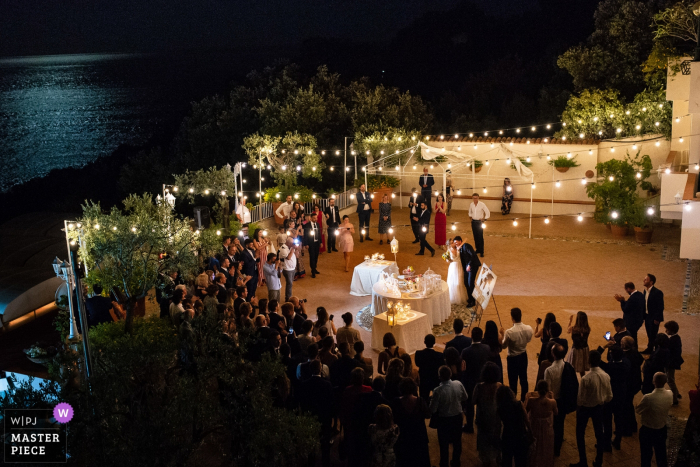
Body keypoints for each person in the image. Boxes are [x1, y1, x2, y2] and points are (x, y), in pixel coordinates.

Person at [572, 350, 612, 467]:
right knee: (599, 434)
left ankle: (583, 461)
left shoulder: (586, 378)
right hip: (599, 408)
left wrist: (579, 407)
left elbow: (580, 398)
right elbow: (609, 396)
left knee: (580, 434)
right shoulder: (605, 375)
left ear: (589, 361)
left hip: (585, 409)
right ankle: (599, 460)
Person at [544, 343, 579, 457]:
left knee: (551, 424)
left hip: (552, 400)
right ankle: (557, 448)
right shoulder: (569, 367)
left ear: (553, 354)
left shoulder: (549, 370)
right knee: (560, 425)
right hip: (563, 401)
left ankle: (550, 446)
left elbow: (547, 389)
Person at [430, 365, 468, 467]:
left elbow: (433, 410)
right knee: (457, 442)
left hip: (443, 420)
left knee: (444, 445)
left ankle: (444, 464)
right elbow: (465, 397)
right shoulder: (458, 384)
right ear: (450, 374)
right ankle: (456, 462)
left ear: (439, 376)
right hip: (457, 417)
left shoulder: (437, 391)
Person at [299, 360, 333, 467]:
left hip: (310, 417)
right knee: (325, 445)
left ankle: (311, 462)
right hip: (324, 417)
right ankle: (325, 463)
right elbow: (331, 402)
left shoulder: (304, 385)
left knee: (311, 444)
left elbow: (302, 402)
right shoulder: (327, 384)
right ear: (320, 369)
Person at [636, 372, 673, 467]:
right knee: (661, 455)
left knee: (646, 456)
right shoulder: (670, 394)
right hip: (662, 428)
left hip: (648, 430)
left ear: (654, 382)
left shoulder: (648, 398)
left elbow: (638, 410)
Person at [391, 378, 431, 467]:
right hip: (419, 436)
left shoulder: (396, 402)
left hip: (402, 436)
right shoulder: (420, 401)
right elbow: (428, 415)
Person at [599, 344, 630, 451]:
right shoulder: (626, 363)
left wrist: (603, 347)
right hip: (621, 394)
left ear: (611, 355)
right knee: (619, 418)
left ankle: (606, 443)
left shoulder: (609, 367)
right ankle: (617, 440)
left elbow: (595, 357)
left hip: (609, 395)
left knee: (607, 420)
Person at [460, 326, 490, 434]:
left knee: (469, 404)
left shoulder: (465, 351)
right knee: (482, 403)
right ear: (481, 337)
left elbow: (463, 368)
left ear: (471, 336)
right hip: (483, 379)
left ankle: (469, 426)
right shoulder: (487, 348)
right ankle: (480, 422)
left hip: (470, 380)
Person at [472, 362, 503, 467]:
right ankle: (498, 455)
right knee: (497, 434)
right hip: (496, 415)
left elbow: (473, 401)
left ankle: (486, 459)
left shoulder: (479, 386)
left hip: (483, 415)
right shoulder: (499, 385)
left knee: (483, 436)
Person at [502, 307, 533, 401]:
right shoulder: (529, 328)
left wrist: (502, 334)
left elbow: (503, 346)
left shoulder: (509, 332)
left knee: (513, 381)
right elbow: (529, 339)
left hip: (513, 359)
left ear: (512, 318)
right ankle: (524, 401)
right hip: (523, 356)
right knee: (524, 379)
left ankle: (513, 401)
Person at [525, 380, 557, 467]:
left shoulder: (531, 400)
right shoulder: (552, 402)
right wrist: (552, 397)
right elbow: (556, 412)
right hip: (547, 428)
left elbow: (526, 411)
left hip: (534, 426)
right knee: (546, 446)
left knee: (535, 447)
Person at [498, 385, 531, 467]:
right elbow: (527, 420)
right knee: (521, 461)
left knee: (507, 460)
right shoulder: (519, 404)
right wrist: (531, 432)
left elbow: (498, 424)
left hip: (507, 436)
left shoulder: (500, 408)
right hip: (520, 435)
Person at [621, 336, 643, 436]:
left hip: (628, 384)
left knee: (627, 406)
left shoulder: (625, 357)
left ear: (624, 345)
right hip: (636, 383)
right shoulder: (635, 353)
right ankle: (633, 425)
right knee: (628, 404)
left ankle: (628, 429)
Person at [415, 334, 445, 402]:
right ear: (434, 343)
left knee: (423, 400)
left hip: (423, 380)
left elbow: (417, 364)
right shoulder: (440, 355)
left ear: (424, 342)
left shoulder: (418, 354)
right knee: (436, 399)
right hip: (435, 380)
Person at [642, 273, 664, 354]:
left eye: (646, 279)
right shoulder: (645, 291)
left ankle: (654, 350)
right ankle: (650, 348)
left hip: (654, 317)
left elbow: (660, 306)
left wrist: (657, 318)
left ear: (651, 282)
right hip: (647, 316)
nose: (644, 280)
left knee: (653, 334)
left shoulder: (658, 292)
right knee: (649, 333)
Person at [456, 236, 480, 307]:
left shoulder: (466, 246)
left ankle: (473, 301)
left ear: (460, 241)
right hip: (467, 268)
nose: (456, 244)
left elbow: (473, 255)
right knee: (466, 283)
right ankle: (470, 298)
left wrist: (469, 264)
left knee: (470, 283)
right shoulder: (460, 248)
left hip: (473, 266)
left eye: (456, 242)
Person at [664, 320, 683, 405]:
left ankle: (674, 399)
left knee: (670, 380)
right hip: (674, 361)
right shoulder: (677, 338)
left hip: (670, 363)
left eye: (667, 330)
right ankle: (677, 393)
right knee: (671, 378)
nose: (666, 331)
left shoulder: (672, 340)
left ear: (671, 330)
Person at [566, 311, 591, 377]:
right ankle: (584, 382)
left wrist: (570, 321)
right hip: (584, 349)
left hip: (576, 350)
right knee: (582, 370)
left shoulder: (573, 329)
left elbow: (568, 330)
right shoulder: (588, 329)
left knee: (571, 368)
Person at [446, 238, 468, 305]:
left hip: (459, 266)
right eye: (452, 242)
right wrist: (447, 259)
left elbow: (465, 239)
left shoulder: (458, 248)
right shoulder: (449, 251)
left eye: (454, 242)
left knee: (459, 280)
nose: (454, 243)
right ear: (449, 245)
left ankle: (461, 297)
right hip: (453, 267)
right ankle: (453, 297)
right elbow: (448, 260)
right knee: (453, 281)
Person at [468, 192, 490, 257]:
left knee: (480, 236)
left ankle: (481, 251)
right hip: (473, 222)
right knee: (475, 236)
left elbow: (487, 211)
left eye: (476, 198)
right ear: (472, 198)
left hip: (479, 222)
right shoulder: (471, 204)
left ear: (478, 198)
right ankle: (477, 249)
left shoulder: (482, 204)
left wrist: (485, 218)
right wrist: (470, 217)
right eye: (474, 198)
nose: (475, 199)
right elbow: (469, 211)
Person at [277, 238, 297, 302]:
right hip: (287, 269)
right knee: (289, 284)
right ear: (288, 243)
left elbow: (296, 255)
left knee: (290, 284)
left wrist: (297, 249)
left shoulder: (290, 247)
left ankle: (289, 296)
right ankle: (288, 298)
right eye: (292, 243)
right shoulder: (283, 248)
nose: (293, 244)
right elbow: (288, 258)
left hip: (292, 268)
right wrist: (293, 249)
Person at [303, 212, 322, 278]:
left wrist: (320, 242)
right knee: (312, 257)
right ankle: (313, 271)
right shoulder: (307, 225)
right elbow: (305, 235)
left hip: (317, 243)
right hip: (311, 243)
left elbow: (319, 234)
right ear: (311, 218)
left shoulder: (318, 224)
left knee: (316, 256)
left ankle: (314, 268)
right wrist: (306, 244)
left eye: (316, 218)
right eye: (314, 218)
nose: (315, 219)